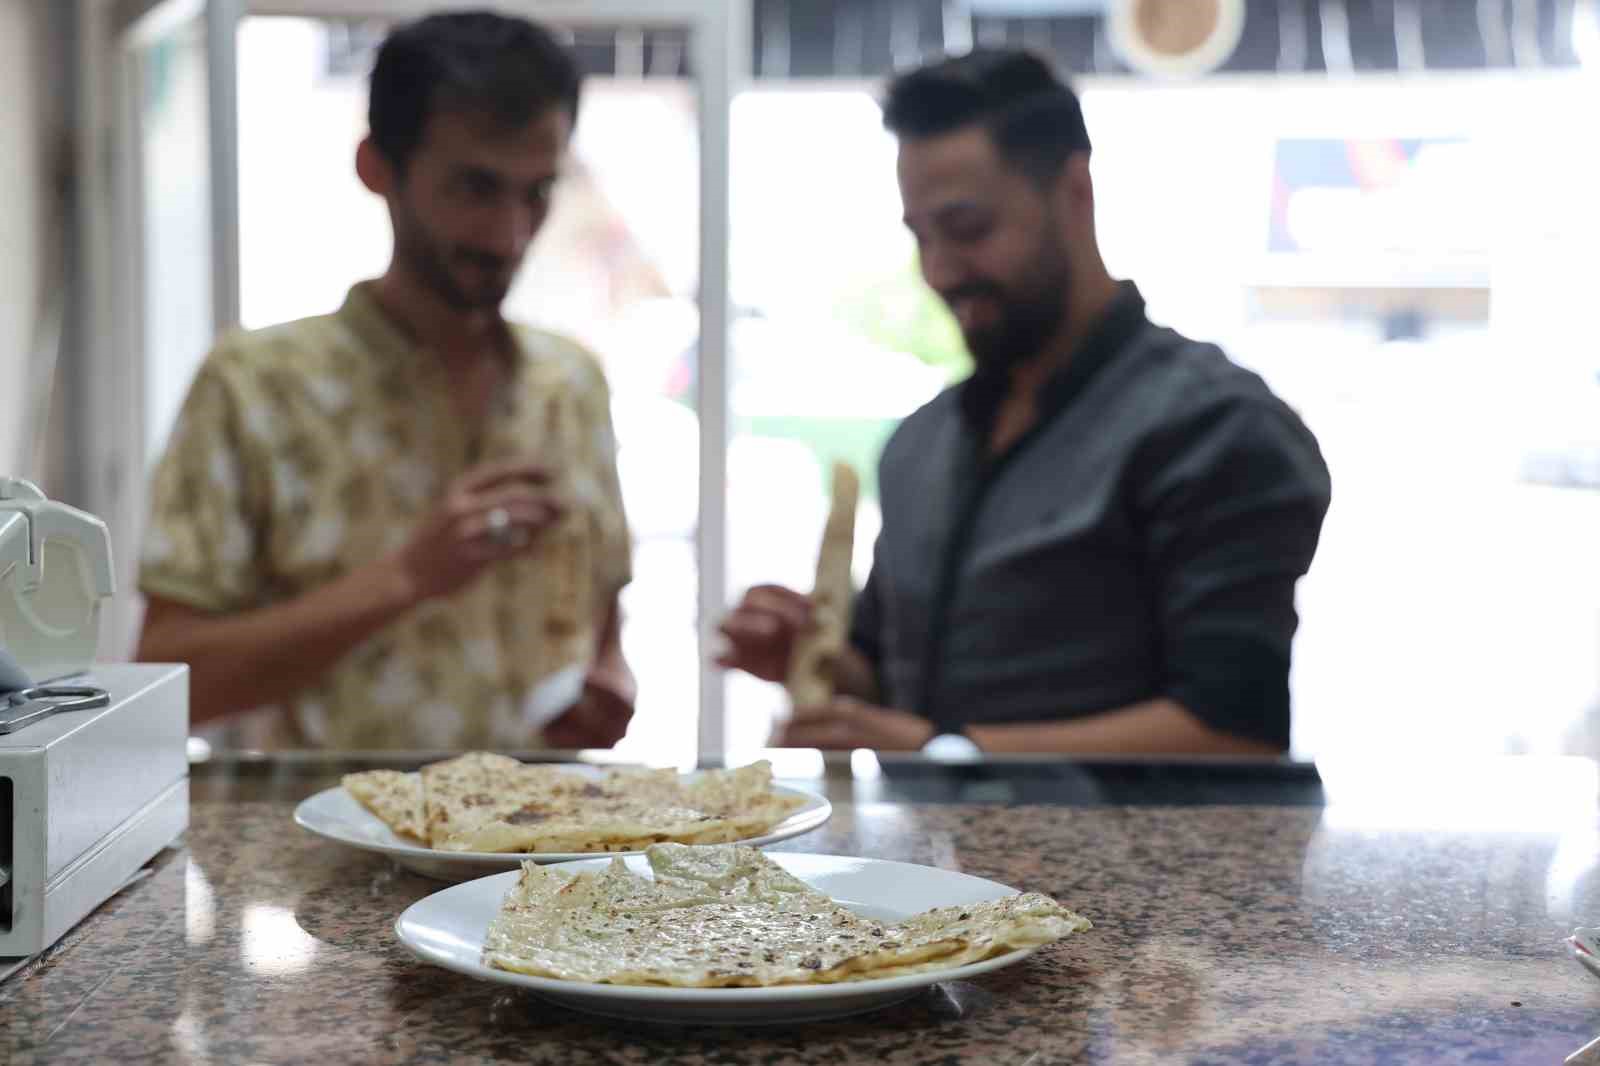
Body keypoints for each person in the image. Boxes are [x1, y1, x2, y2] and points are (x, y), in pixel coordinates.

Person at [719, 49, 1332, 756]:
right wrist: (817, 661)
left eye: (969, 229)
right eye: (921, 236)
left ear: (1075, 192)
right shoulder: (921, 443)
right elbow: (897, 681)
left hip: (1127, 870)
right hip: (928, 868)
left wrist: (948, 755)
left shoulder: (1216, 429)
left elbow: (1233, 733)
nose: (940, 271)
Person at [135, 12, 634, 750]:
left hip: (544, 848)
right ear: (378, 167)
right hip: (318, 854)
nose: (510, 235)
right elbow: (165, 686)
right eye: (475, 187)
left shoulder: (572, 382)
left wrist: (609, 684)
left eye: (536, 192)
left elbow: (602, 632)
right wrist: (408, 575)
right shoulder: (254, 387)